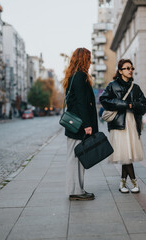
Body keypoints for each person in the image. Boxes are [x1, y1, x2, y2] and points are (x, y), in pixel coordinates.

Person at [100, 59, 146, 193]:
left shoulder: (136, 88)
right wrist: (124, 104)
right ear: (120, 71)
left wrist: (133, 105)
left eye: (131, 68)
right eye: (127, 68)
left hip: (132, 123)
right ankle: (134, 182)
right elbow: (104, 100)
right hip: (118, 124)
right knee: (125, 154)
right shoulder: (112, 85)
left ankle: (122, 183)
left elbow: (144, 105)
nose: (130, 70)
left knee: (127, 154)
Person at [62, 47, 98, 201]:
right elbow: (83, 103)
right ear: (84, 59)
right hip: (79, 125)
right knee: (75, 158)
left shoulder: (73, 76)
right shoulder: (79, 76)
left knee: (75, 157)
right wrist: (87, 125)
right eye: (88, 59)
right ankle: (76, 191)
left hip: (75, 124)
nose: (90, 62)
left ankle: (77, 189)